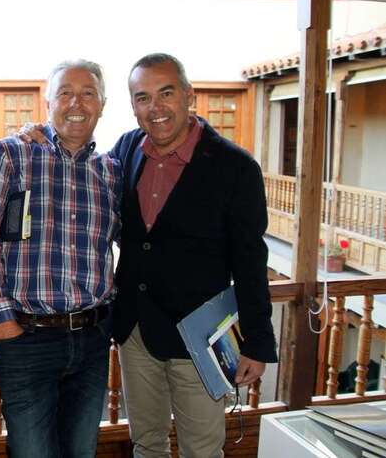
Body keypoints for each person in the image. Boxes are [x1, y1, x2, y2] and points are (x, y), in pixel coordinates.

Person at [111, 53, 278, 457]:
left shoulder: (235, 167)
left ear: (189, 96)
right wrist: (38, 134)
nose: (156, 108)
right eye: (143, 98)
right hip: (135, 332)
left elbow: (250, 260)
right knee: (146, 444)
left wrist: (256, 341)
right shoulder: (126, 148)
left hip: (199, 337)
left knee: (201, 450)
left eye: (166, 93)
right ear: (133, 106)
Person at [0, 59, 122, 458]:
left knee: (81, 451)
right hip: (26, 338)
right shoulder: (9, 155)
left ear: (102, 104)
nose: (77, 102)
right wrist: (1, 319)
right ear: (48, 100)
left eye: (88, 93)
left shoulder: (111, 172)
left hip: (91, 340)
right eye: (66, 92)